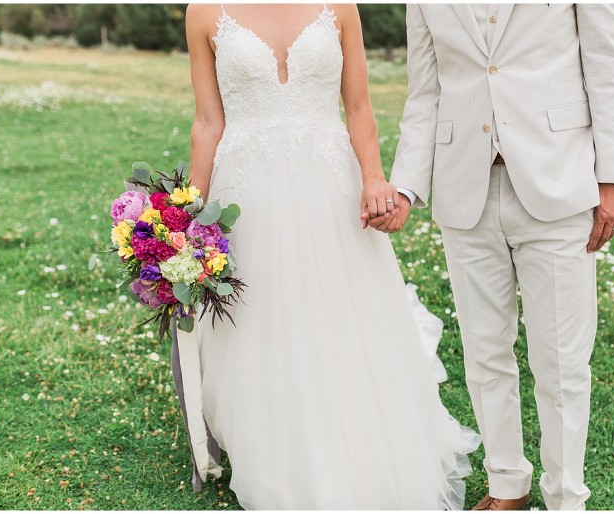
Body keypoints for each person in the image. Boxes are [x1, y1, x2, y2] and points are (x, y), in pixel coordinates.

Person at [178, 3, 479, 509]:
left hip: (330, 183)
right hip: (246, 192)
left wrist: (374, 178)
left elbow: (358, 106)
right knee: (260, 319)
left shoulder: (340, 6)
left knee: (340, 316)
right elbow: (208, 121)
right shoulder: (204, 11)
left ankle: (352, 436)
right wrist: (185, 216)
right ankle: (274, 446)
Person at [366, 4, 614, 510]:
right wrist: (404, 187)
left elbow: (610, 68)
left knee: (561, 361)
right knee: (485, 354)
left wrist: (613, 178)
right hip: (464, 186)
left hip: (559, 183)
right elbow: (425, 94)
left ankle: (565, 496)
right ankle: (507, 484)